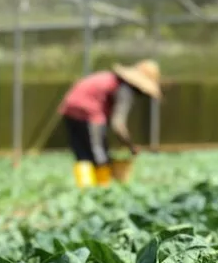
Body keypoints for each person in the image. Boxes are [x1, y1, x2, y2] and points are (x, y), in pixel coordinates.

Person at [58, 59, 161, 188]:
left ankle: (85, 190)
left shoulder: (110, 78)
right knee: (99, 153)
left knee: (82, 153)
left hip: (70, 108)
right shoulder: (125, 89)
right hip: (90, 112)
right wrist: (130, 145)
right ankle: (103, 190)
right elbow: (118, 124)